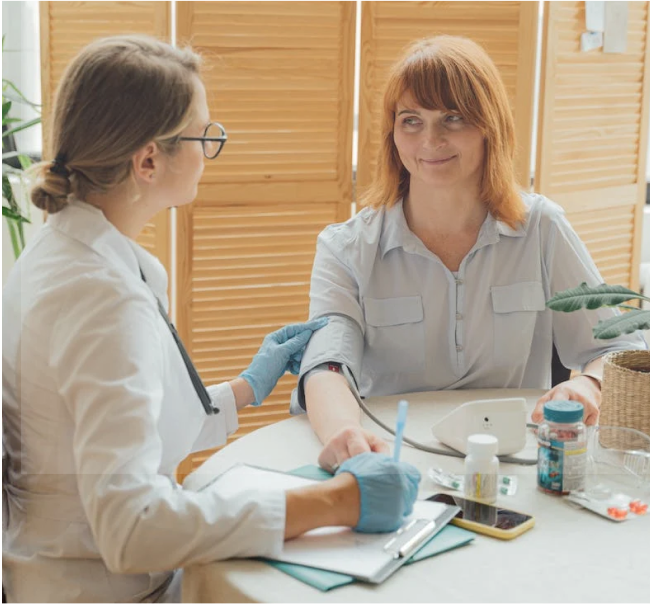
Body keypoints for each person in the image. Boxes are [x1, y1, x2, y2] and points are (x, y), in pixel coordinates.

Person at [0, 36, 421, 604]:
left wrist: (242, 391)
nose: (211, 149)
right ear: (148, 160)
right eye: (205, 135)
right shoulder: (101, 297)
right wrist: (336, 502)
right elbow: (132, 528)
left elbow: (100, 436)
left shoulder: (66, 255)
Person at [292, 35, 647, 472]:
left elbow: (620, 346)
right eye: (411, 120)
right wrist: (344, 435)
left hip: (515, 464)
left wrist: (588, 387)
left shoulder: (542, 227)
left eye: (453, 118)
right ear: (393, 134)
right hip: (391, 460)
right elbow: (325, 367)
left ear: (489, 126)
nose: (430, 139)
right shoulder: (345, 248)